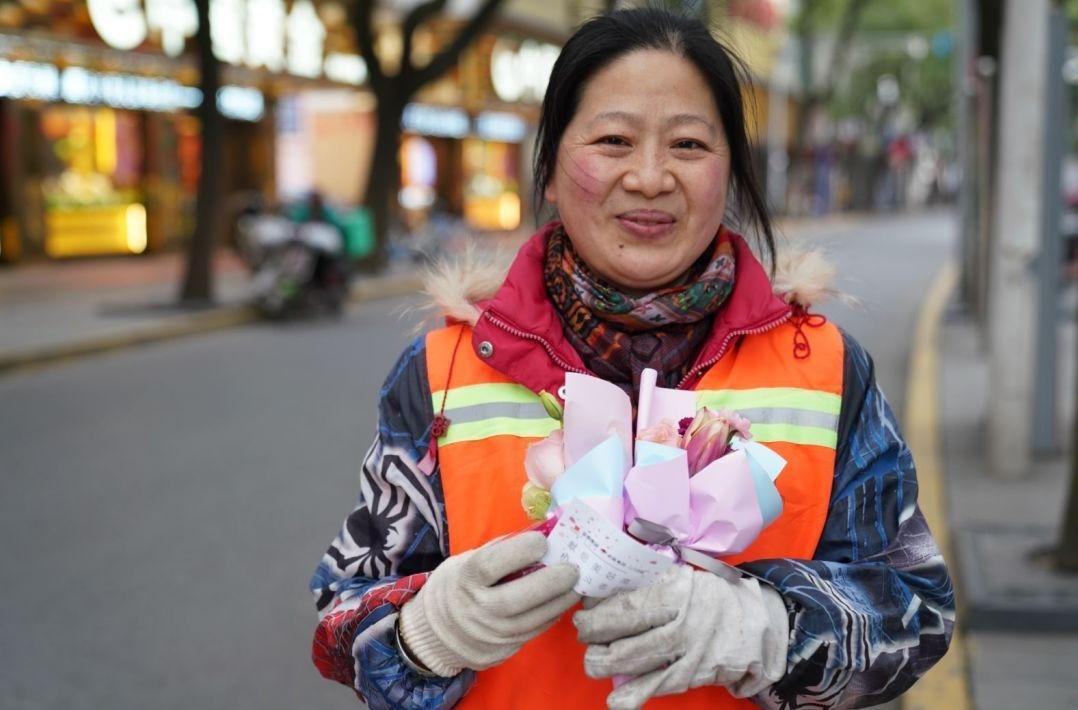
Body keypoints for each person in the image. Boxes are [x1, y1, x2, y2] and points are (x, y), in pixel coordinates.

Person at [309, 9, 954, 709]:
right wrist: (420, 634)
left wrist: (772, 628)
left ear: (729, 172)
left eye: (688, 144)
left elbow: (917, 610)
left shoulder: (826, 369)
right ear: (550, 170)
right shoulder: (443, 372)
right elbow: (343, 615)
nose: (649, 178)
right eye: (613, 140)